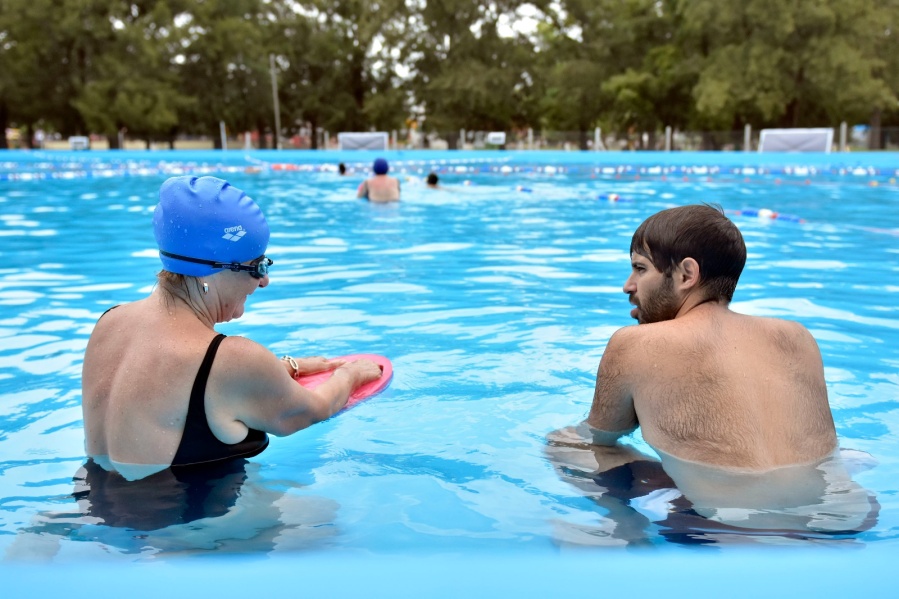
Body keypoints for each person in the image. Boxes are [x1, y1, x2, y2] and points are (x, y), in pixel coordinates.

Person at [546, 204, 875, 538]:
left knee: (566, 444)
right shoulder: (796, 336)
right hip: (847, 516)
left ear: (687, 275)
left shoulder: (635, 344)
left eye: (640, 269)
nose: (628, 285)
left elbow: (598, 438)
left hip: (728, 526)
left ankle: (625, 534)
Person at [81, 175, 383, 481]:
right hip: (183, 525)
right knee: (328, 518)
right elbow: (314, 409)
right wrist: (351, 374)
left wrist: (287, 367)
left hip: (89, 505)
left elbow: (166, 399)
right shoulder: (232, 359)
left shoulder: (109, 323)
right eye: (257, 266)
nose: (265, 280)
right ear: (209, 273)